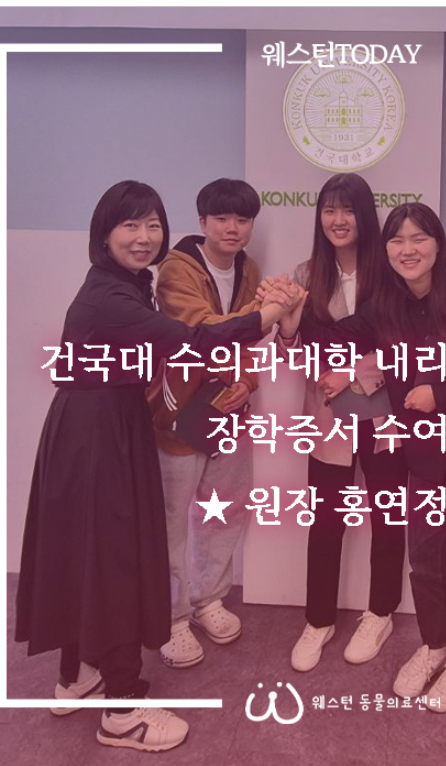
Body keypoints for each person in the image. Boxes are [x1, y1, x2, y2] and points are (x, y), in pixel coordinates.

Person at [15, 180, 298, 751]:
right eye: (130, 226)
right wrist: (270, 311)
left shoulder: (124, 284)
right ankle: (123, 711)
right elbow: (191, 340)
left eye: (152, 225)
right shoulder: (112, 296)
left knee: (92, 555)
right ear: (104, 233)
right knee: (118, 561)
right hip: (97, 435)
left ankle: (79, 676)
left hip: (104, 426)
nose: (143, 237)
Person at [274, 202, 446, 711]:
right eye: (397, 240)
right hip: (424, 456)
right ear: (385, 249)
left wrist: (441, 393)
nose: (407, 250)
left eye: (418, 238)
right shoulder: (385, 307)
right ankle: (434, 647)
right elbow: (338, 339)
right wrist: (293, 322)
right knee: (427, 564)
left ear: (438, 244)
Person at [274, 174, 409, 672]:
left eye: (347, 209)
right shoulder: (305, 274)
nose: (338, 220)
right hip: (328, 413)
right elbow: (295, 353)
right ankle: (319, 619)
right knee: (326, 517)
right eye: (329, 209)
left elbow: (405, 345)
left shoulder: (390, 271)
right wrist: (289, 329)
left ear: (365, 215)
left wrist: (352, 373)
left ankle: (380, 612)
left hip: (384, 411)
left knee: (387, 514)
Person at [147, 179, 262, 669]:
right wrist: (268, 309)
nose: (232, 228)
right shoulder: (176, 269)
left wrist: (248, 382)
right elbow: (202, 332)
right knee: (172, 519)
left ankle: (208, 599)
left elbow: (249, 344)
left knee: (226, 507)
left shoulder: (249, 268)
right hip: (178, 413)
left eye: (242, 219)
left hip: (229, 411)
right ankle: (171, 618)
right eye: (221, 218)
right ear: (202, 222)